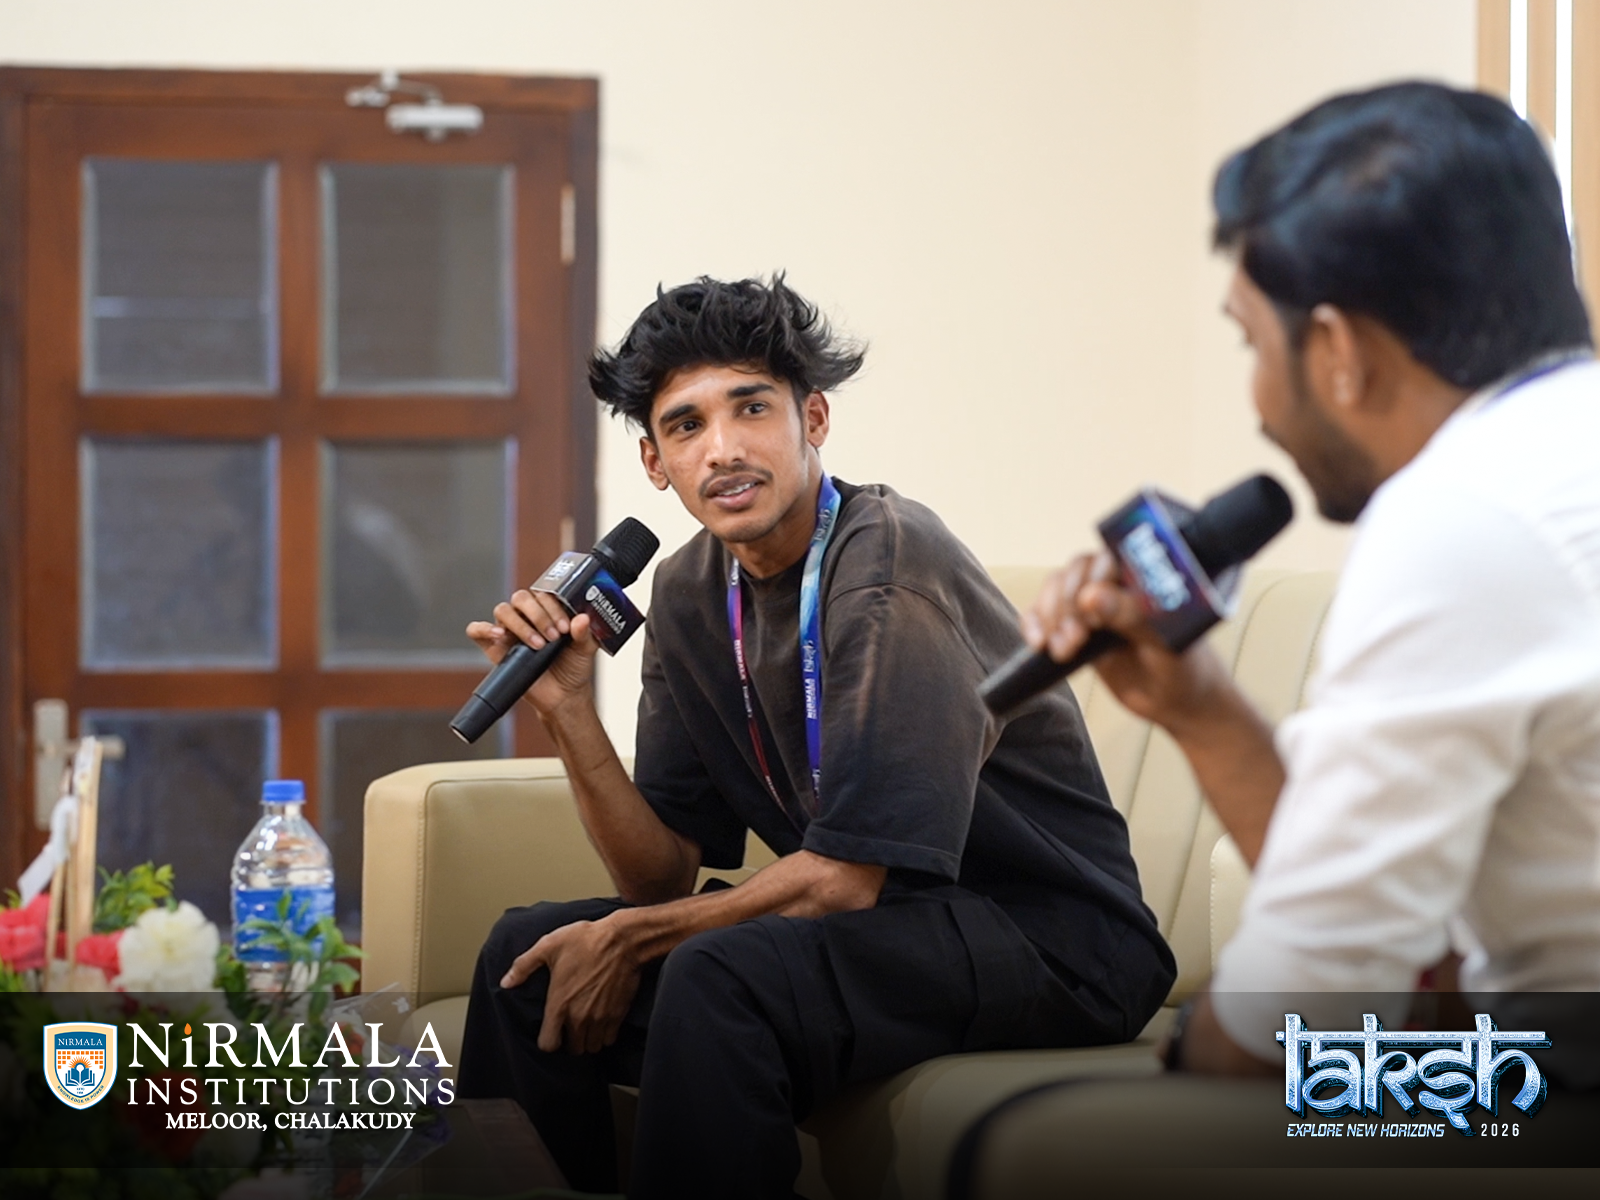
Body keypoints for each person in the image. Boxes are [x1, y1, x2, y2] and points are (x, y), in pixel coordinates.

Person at [455, 275, 1176, 1196]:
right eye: (686, 425)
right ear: (654, 462)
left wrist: (635, 938)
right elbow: (659, 877)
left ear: (815, 418)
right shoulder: (688, 592)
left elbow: (843, 880)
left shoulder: (888, 566)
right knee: (524, 960)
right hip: (890, 933)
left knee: (716, 974)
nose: (723, 448)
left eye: (752, 407)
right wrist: (565, 710)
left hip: (1054, 943)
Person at [1022, 81, 1600, 1078]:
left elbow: (1295, 1017)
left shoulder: (1461, 518)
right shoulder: (1555, 460)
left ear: (1336, 350)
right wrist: (1199, 709)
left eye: (1251, 341)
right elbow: (1377, 926)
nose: (1256, 403)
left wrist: (1188, 1059)